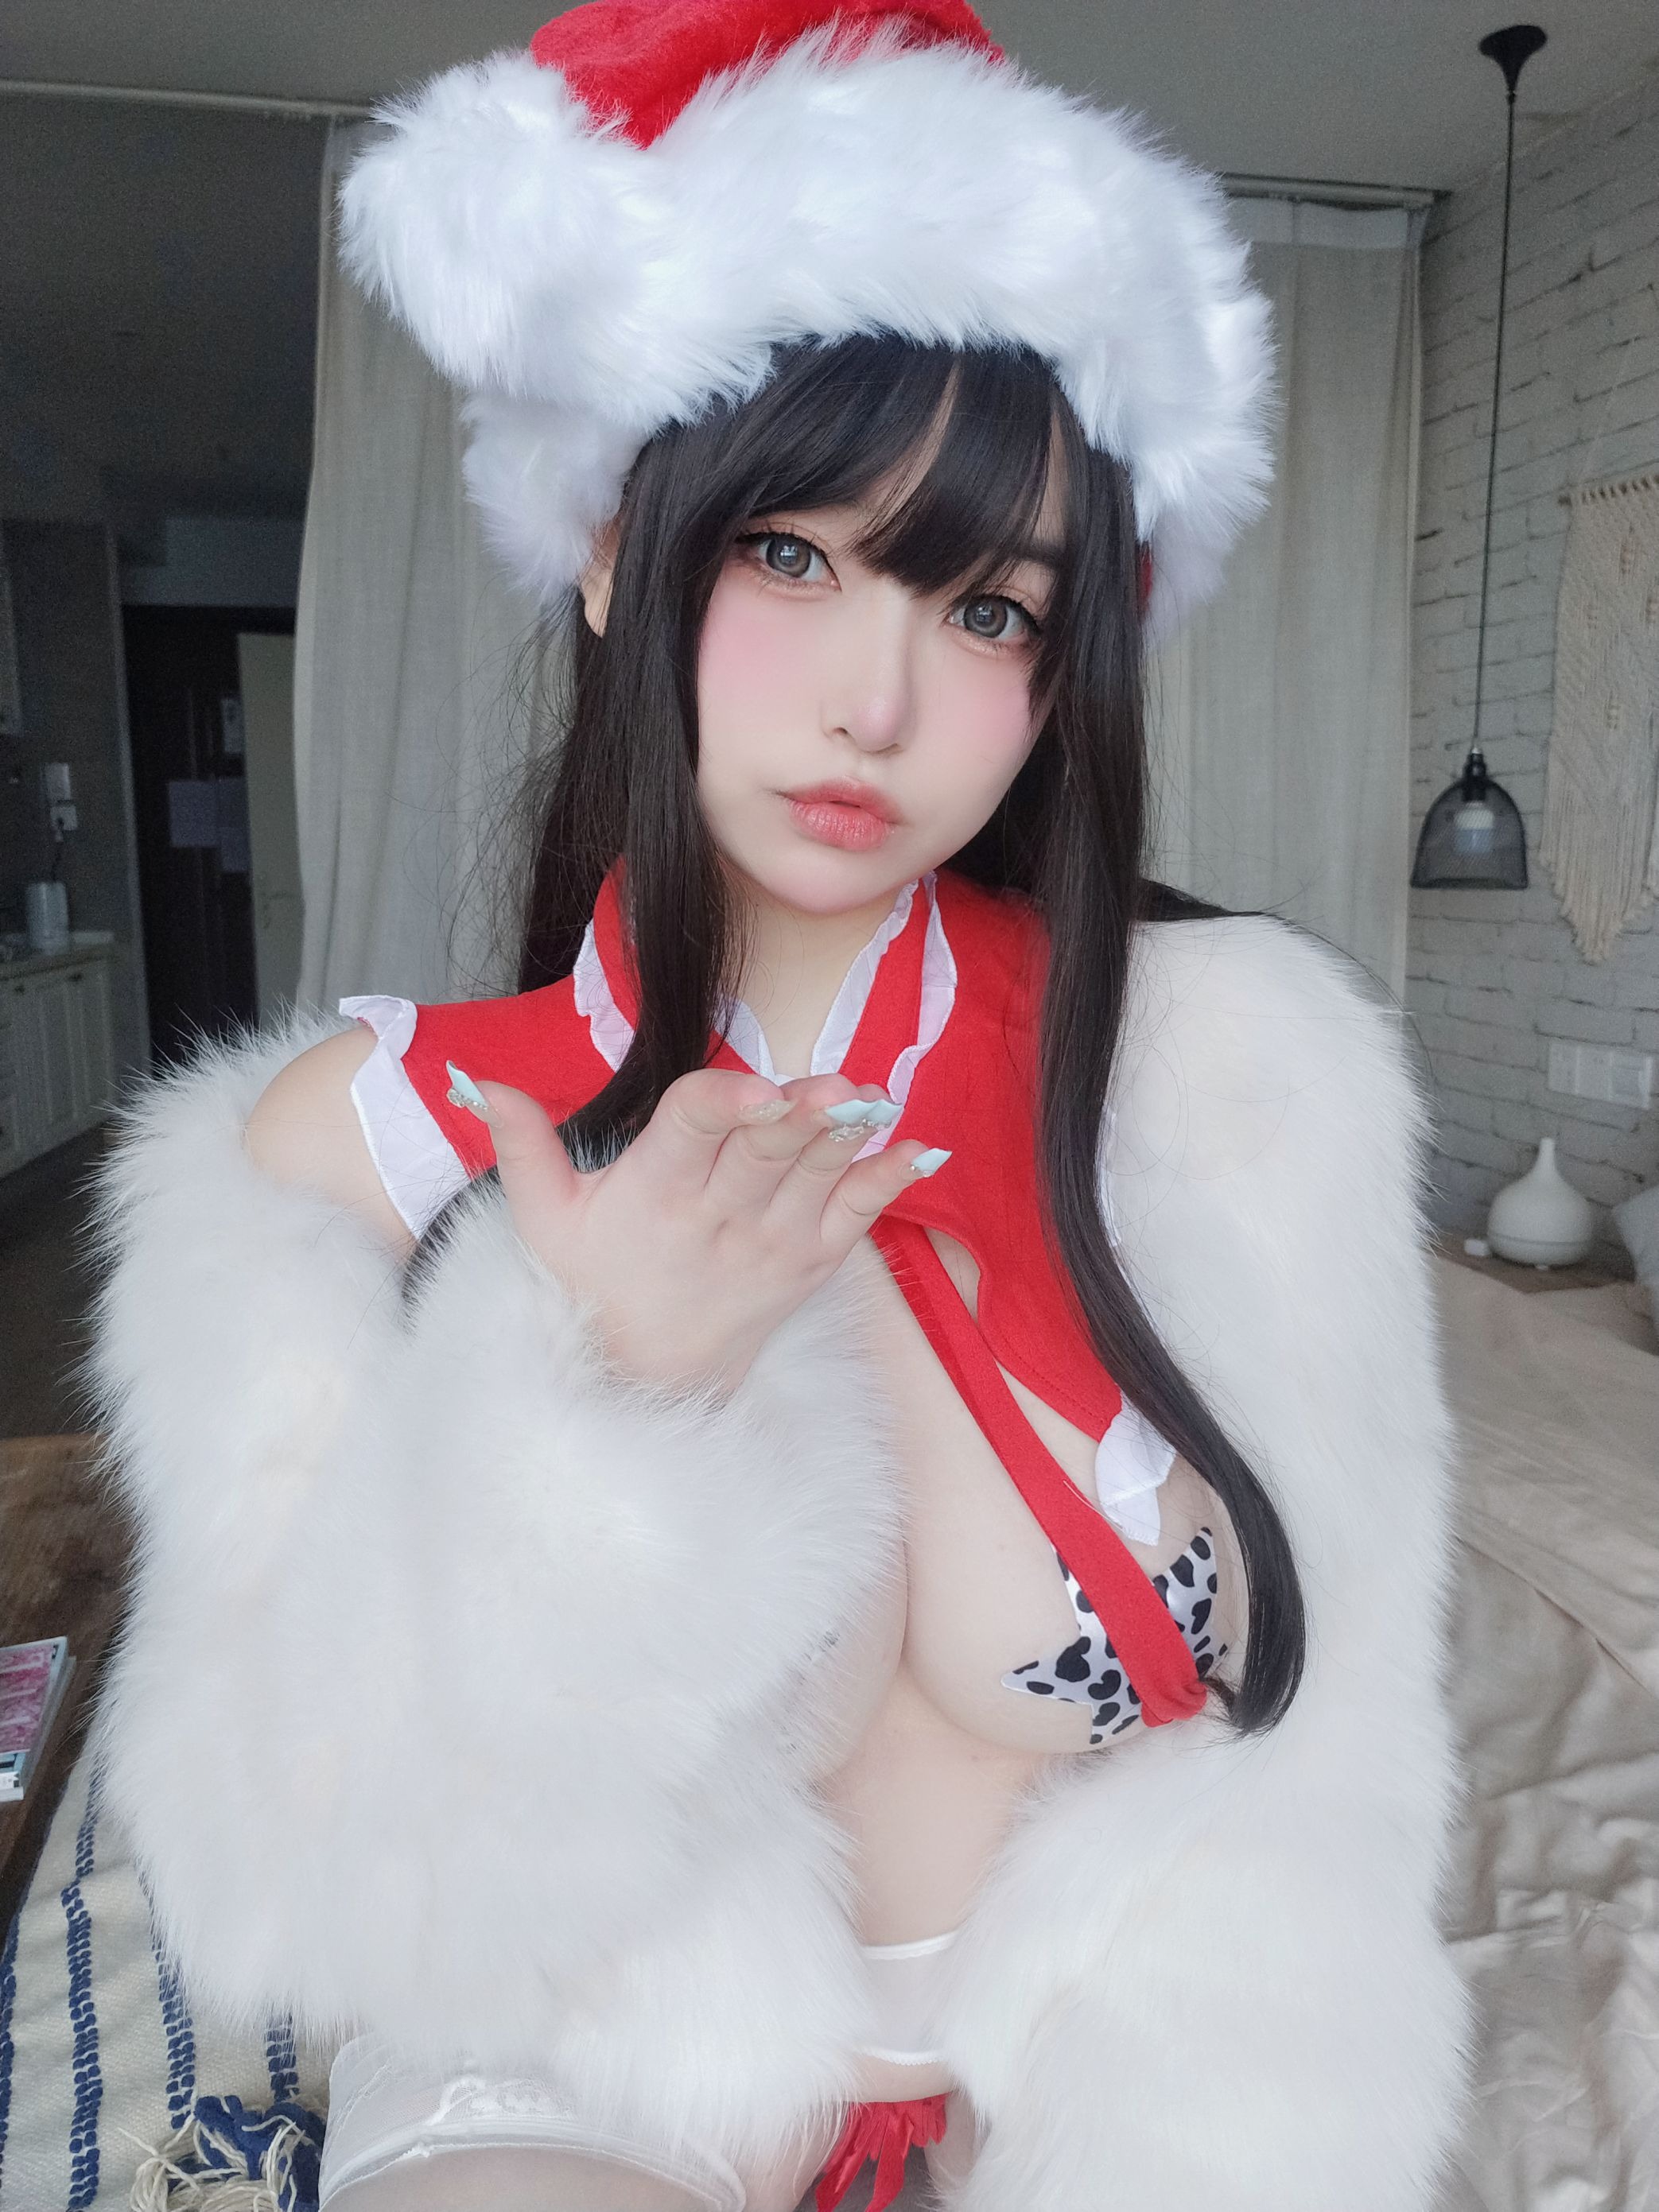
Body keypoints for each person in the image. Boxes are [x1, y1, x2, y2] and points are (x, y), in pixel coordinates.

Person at [78, 2, 1471, 2208]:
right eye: (794, 556)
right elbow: (298, 1882)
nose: (877, 699)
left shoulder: (1229, 1078)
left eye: (987, 609)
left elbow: (1341, 1743)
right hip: (584, 2074)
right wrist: (601, 1410)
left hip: (1109, 2057)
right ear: (614, 548)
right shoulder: (366, 1143)